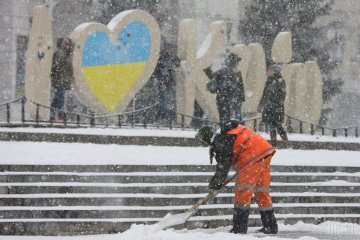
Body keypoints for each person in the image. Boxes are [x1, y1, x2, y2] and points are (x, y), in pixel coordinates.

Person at [195, 120, 278, 234]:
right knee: (261, 192)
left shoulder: (222, 139)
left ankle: (239, 228)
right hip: (264, 153)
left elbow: (223, 167)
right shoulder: (227, 132)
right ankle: (270, 226)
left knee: (242, 191)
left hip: (251, 157)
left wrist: (214, 186)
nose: (205, 144)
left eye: (204, 142)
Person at [204, 53, 245, 124]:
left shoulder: (224, 71)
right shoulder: (231, 72)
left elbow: (214, 79)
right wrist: (237, 95)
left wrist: (208, 71)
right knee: (231, 120)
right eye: (237, 62)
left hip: (223, 99)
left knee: (225, 119)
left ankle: (227, 130)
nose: (238, 63)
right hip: (230, 100)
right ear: (233, 62)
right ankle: (232, 132)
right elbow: (232, 87)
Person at [257, 64, 288, 147]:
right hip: (269, 107)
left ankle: (286, 142)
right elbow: (264, 94)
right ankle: (274, 144)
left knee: (278, 125)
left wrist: (275, 103)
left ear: (274, 71)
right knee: (271, 125)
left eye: (270, 70)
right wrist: (260, 106)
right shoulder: (268, 81)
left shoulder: (280, 81)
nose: (268, 71)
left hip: (277, 107)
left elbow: (282, 95)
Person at [152, 43, 181, 124]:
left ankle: (164, 117)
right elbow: (158, 70)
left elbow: (177, 63)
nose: (171, 50)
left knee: (167, 100)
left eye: (172, 49)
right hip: (164, 82)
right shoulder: (162, 57)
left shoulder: (171, 57)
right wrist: (161, 81)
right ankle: (162, 117)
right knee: (164, 100)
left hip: (168, 82)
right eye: (170, 48)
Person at [50, 38, 74, 120]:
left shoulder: (69, 55)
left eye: (68, 43)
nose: (66, 45)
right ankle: (60, 114)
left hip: (64, 80)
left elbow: (70, 69)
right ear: (61, 44)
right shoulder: (59, 53)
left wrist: (71, 77)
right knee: (60, 97)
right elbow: (56, 67)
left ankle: (52, 113)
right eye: (65, 43)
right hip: (59, 80)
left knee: (57, 98)